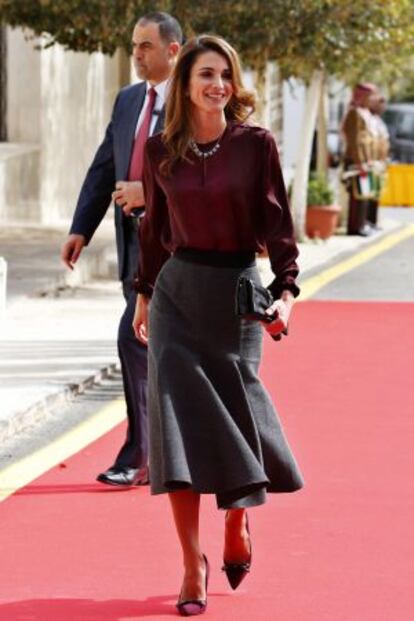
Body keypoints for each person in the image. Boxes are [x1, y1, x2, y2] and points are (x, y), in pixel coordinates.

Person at [132, 35, 304, 616]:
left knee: (239, 418)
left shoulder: (255, 145)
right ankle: (190, 565)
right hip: (176, 300)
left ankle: (237, 520)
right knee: (175, 435)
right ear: (184, 83)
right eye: (206, 74)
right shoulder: (160, 150)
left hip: (236, 299)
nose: (218, 86)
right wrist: (142, 296)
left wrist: (285, 290)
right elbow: (154, 233)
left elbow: (278, 224)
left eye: (226, 75)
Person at [61, 12, 182, 487]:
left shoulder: (192, 102)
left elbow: (202, 174)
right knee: (153, 348)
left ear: (173, 50)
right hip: (135, 245)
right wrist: (80, 229)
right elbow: (104, 164)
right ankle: (172, 453)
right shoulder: (129, 99)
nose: (136, 54)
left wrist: (148, 192)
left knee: (135, 340)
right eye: (134, 45)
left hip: (177, 246)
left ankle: (141, 454)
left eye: (146, 46)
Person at [341, 82, 378, 236]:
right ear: (362, 96)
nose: (372, 99)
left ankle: (362, 224)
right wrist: (360, 162)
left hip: (365, 161)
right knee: (357, 195)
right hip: (356, 160)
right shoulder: (354, 113)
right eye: (370, 96)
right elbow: (355, 140)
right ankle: (355, 227)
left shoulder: (365, 112)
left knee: (364, 194)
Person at [368, 94, 390, 228]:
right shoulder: (370, 119)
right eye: (379, 104)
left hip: (380, 161)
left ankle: (373, 221)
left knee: (376, 192)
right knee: (370, 193)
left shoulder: (378, 120)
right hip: (373, 161)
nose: (382, 107)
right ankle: (369, 221)